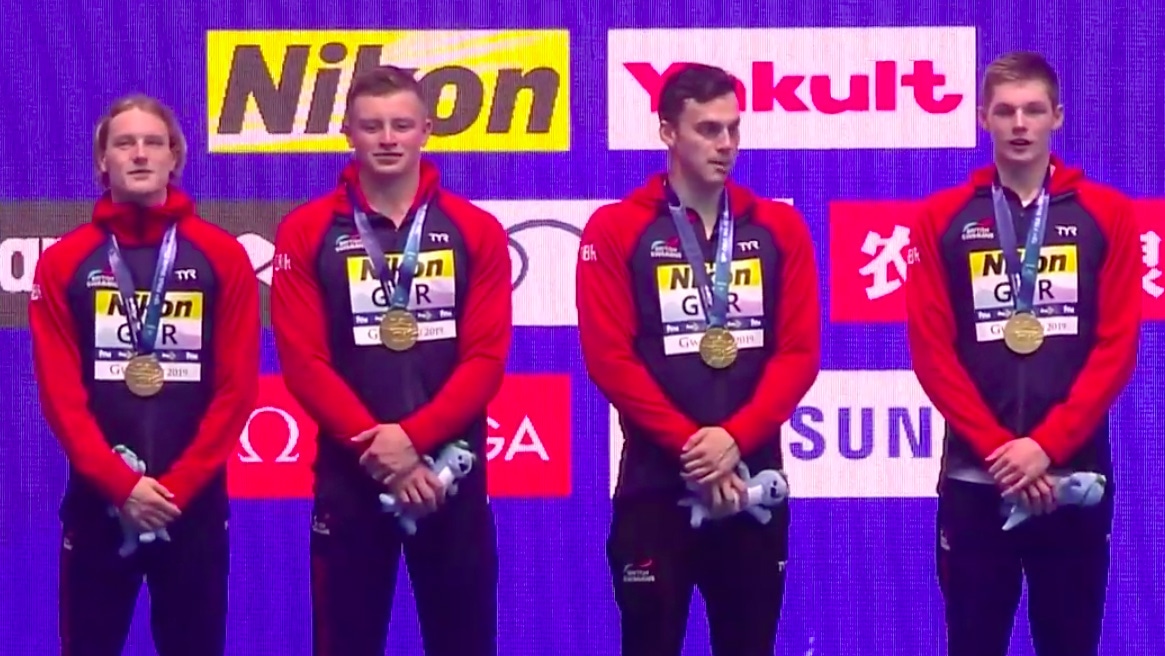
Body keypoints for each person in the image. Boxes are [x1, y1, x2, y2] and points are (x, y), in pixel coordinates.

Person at [575, 63, 821, 656]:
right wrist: (698, 448)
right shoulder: (615, 229)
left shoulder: (779, 227)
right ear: (667, 132)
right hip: (654, 491)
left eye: (734, 129)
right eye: (708, 130)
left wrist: (733, 440)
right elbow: (611, 359)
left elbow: (799, 353)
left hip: (753, 490)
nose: (726, 145)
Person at [270, 65, 511, 656]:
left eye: (401, 125)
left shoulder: (474, 230)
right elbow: (303, 363)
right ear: (347, 131)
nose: (387, 138)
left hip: (451, 476)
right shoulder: (305, 231)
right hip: (350, 479)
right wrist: (384, 453)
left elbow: (484, 358)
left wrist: (413, 442)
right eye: (372, 126)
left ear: (426, 130)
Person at [905, 51, 1141, 656]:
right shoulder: (942, 219)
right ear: (984, 118)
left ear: (1057, 117)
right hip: (975, 481)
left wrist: (1045, 447)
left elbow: (1116, 347)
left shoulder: (1107, 215)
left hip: (1074, 477)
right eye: (1005, 111)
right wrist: (999, 451)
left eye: (1033, 110)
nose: (1019, 123)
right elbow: (932, 352)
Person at [28, 94, 261, 656]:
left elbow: (236, 390)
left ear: (174, 157)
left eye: (153, 142)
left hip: (193, 505)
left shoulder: (221, 256)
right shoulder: (65, 262)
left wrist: (174, 490)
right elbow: (61, 397)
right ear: (101, 161)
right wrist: (121, 485)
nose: (139, 154)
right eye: (123, 143)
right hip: (98, 503)